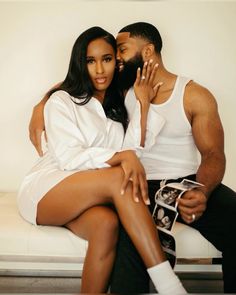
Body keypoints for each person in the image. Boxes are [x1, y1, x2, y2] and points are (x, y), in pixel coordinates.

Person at [28, 22, 236, 293]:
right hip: (133, 187)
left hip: (187, 183)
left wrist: (203, 192)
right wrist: (42, 103)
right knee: (129, 261)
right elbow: (77, 82)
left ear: (148, 51)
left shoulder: (194, 95)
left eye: (120, 51)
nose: (115, 60)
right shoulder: (122, 92)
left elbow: (213, 154)